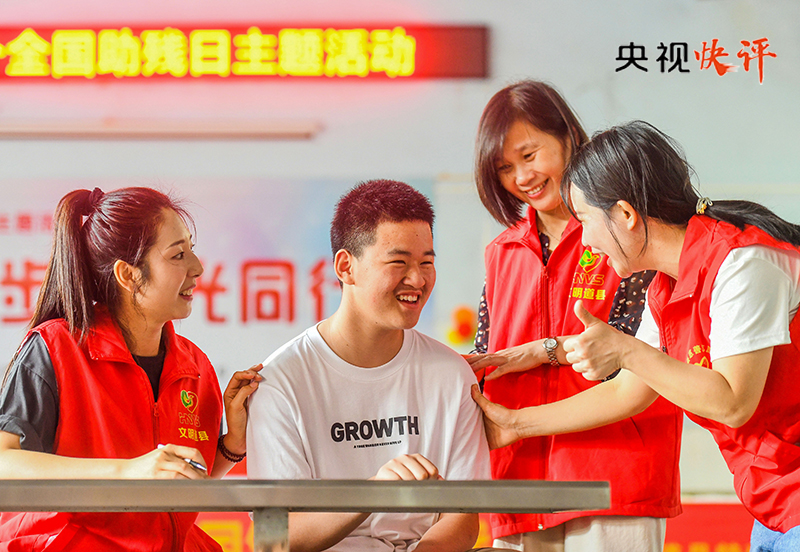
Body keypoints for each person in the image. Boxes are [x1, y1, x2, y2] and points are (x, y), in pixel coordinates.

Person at [472, 120, 800, 551]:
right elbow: (627, 391)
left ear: (625, 215)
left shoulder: (743, 263)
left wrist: (625, 350)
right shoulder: (663, 286)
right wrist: (516, 424)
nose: (586, 240)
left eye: (585, 220)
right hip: (773, 503)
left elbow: (733, 402)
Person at [465, 81, 682, 552]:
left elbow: (640, 355)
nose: (522, 177)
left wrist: (545, 352)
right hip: (518, 485)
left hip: (611, 479)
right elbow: (486, 359)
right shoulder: (501, 252)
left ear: (567, 136)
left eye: (529, 155)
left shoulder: (626, 231)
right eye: (504, 167)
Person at [0, 187, 262, 551]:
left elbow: (180, 480)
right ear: (128, 274)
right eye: (178, 255)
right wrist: (128, 471)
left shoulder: (195, 366)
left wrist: (233, 444)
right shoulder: (55, 347)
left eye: (191, 249)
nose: (198, 268)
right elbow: (4, 462)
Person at [247, 179, 491, 552]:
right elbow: (274, 536)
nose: (417, 279)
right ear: (346, 267)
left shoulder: (451, 373)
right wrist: (373, 493)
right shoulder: (281, 381)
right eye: (399, 262)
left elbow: (462, 514)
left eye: (426, 262)